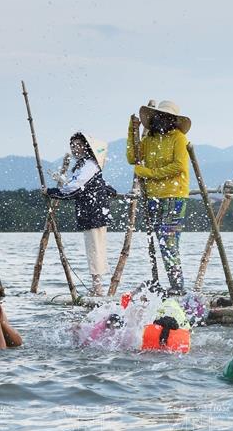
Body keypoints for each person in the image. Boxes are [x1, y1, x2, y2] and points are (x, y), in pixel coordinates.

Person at [128, 100, 191, 295]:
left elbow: (179, 166)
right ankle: (173, 284)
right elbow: (133, 157)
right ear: (153, 118)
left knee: (168, 240)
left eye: (166, 117)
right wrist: (132, 131)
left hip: (174, 195)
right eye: (159, 116)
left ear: (173, 120)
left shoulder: (178, 138)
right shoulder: (149, 140)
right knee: (161, 240)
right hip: (153, 197)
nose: (162, 120)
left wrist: (148, 173)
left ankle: (177, 286)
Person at [49, 133, 116, 296]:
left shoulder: (90, 165)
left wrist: (52, 192)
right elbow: (99, 186)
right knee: (95, 249)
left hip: (93, 213)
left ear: (86, 147)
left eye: (78, 144)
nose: (75, 148)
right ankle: (97, 287)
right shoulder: (85, 165)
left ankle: (97, 289)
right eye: (73, 145)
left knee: (95, 250)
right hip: (92, 213)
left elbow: (76, 187)